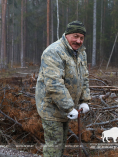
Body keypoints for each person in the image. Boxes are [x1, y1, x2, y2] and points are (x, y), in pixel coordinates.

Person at [35, 21, 91, 157]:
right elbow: (54, 84)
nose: (78, 41)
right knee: (53, 149)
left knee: (60, 148)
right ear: (66, 35)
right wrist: (69, 107)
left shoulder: (80, 53)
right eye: (75, 36)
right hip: (51, 108)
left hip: (66, 109)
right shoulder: (54, 52)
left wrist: (84, 100)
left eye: (81, 38)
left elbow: (84, 77)